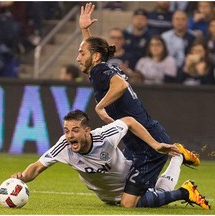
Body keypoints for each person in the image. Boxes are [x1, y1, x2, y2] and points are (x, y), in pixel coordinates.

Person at [77, 3, 194, 208]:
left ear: (95, 57)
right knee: (125, 191)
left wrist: (100, 107)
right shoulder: (102, 67)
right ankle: (177, 157)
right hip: (138, 142)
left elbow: (121, 84)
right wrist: (84, 30)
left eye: (81, 53)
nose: (78, 58)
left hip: (149, 145)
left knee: (129, 203)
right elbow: (92, 50)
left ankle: (184, 191)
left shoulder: (99, 72)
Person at [12, 110, 210, 209]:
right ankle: (178, 157)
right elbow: (37, 167)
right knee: (144, 196)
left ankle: (185, 191)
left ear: (87, 131)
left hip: (130, 176)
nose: (69, 135)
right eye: (66, 131)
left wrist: (154, 144)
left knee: (134, 203)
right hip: (108, 196)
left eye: (75, 130)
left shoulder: (104, 136)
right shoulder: (64, 146)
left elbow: (129, 121)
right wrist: (21, 179)